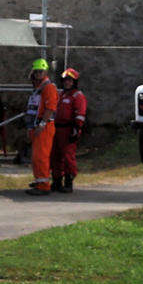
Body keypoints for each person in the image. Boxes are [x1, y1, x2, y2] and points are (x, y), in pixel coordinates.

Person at [51, 66, 87, 194]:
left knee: (68, 157)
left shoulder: (78, 96)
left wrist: (76, 129)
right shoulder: (61, 95)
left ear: (74, 82)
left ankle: (68, 182)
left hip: (69, 130)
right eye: (65, 80)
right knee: (55, 155)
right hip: (57, 129)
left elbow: (80, 114)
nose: (67, 82)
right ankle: (56, 181)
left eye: (70, 80)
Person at [25, 59, 59, 193]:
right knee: (35, 156)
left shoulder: (48, 87)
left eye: (40, 71)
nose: (38, 74)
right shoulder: (38, 88)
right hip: (35, 124)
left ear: (45, 72)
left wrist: (42, 124)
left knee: (41, 156)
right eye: (36, 72)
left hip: (44, 126)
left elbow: (50, 108)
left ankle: (44, 185)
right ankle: (39, 180)